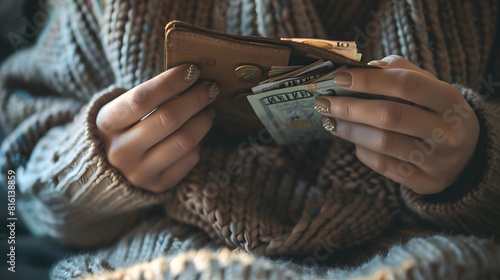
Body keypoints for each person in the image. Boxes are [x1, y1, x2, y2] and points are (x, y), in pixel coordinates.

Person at [1, 0, 499, 279]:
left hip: (413, 252)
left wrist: (475, 163)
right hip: (160, 255)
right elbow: (16, 185)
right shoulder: (101, 12)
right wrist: (93, 169)